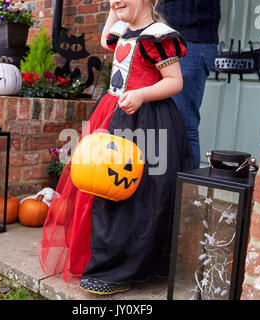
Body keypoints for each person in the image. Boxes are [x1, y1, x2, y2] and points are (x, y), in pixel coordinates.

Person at [38, 0, 195, 295]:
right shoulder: (123, 31)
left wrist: (141, 95)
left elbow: (175, 82)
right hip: (115, 111)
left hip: (147, 118)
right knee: (103, 182)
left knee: (141, 189)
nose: (115, 0)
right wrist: (115, 10)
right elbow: (104, 39)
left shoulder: (159, 35)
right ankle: (104, 258)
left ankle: (127, 264)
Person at [156, 0, 221, 168]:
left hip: (192, 40)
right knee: (158, 121)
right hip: (159, 36)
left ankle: (186, 191)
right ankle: (163, 188)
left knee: (183, 124)